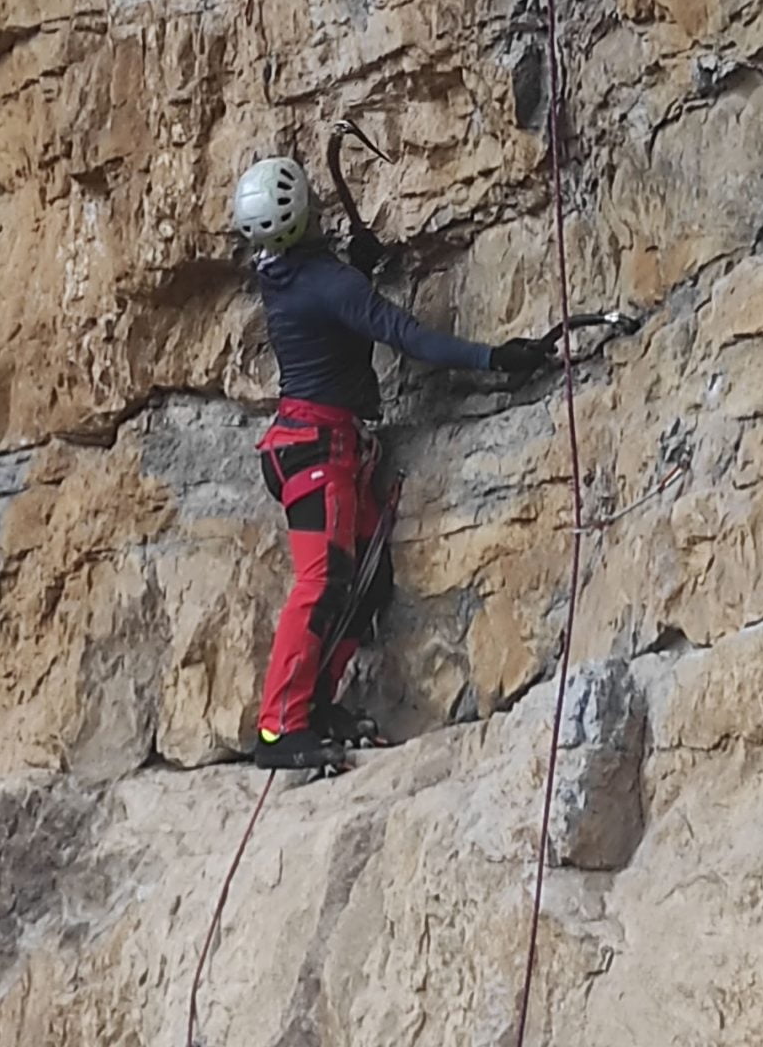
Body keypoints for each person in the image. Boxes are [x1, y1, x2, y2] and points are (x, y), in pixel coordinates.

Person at [232, 155, 556, 771]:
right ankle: (279, 727)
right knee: (322, 583)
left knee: (369, 580)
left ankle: (314, 708)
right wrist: (494, 357)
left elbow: (330, 305)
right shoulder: (330, 285)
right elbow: (407, 335)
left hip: (315, 447)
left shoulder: (280, 272)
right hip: (318, 451)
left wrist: (356, 266)